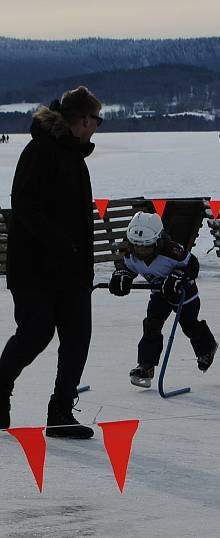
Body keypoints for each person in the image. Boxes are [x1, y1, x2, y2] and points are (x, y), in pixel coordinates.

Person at [0, 86, 102, 438]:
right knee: (35, 333)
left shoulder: (72, 155)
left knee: (78, 338)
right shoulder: (41, 151)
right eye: (95, 121)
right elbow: (25, 206)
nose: (95, 129)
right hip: (34, 269)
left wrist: (80, 261)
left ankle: (59, 413)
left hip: (71, 271)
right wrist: (62, 245)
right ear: (83, 120)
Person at [109, 211, 218, 388]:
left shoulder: (172, 251)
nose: (140, 251)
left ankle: (207, 348)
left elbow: (193, 265)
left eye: (146, 246)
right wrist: (122, 275)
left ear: (157, 241)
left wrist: (178, 276)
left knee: (189, 325)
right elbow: (127, 267)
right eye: (136, 246)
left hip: (184, 293)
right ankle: (146, 365)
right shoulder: (130, 253)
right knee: (151, 325)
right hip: (159, 294)